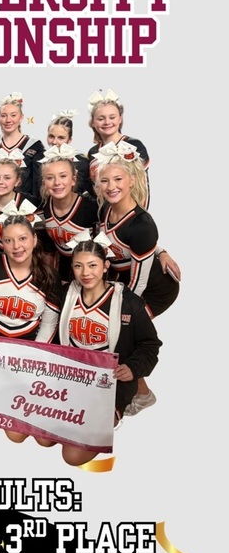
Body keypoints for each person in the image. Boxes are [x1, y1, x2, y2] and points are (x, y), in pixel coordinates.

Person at [56, 239, 161, 466]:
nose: (85, 273)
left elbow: (150, 345)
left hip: (110, 381)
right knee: (45, 437)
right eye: (78, 266)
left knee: (72, 456)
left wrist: (133, 368)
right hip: (73, 377)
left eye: (93, 265)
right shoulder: (66, 295)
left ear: (105, 266)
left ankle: (133, 397)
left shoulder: (128, 303)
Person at [95, 142, 180, 414]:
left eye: (118, 179)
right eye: (105, 180)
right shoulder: (104, 209)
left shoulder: (142, 224)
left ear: (132, 180)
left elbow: (139, 284)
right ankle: (138, 392)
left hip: (154, 287)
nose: (111, 186)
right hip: (125, 280)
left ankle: (140, 395)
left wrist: (118, 312)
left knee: (122, 334)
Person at [0, 215, 60, 433]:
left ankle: (2, 393)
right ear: (1, 242)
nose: (16, 246)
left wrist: (33, 355)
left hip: (20, 359)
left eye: (23, 238)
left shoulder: (48, 277)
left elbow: (49, 323)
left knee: (16, 432)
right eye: (9, 240)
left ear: (34, 240)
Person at [37, 144, 99, 283]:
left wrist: (159, 252)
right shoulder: (44, 209)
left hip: (92, 273)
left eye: (63, 176)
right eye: (50, 178)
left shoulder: (91, 208)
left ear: (73, 179)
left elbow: (119, 236)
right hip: (64, 271)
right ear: (44, 183)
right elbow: (48, 248)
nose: (57, 182)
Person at [86, 89, 150, 207]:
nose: (107, 122)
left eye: (112, 117)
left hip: (128, 215)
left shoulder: (134, 145)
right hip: (103, 216)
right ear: (93, 123)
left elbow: (143, 188)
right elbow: (93, 190)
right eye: (101, 118)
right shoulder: (93, 152)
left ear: (120, 119)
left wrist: (137, 217)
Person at [0, 93, 44, 200]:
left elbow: (37, 183)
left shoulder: (35, 146)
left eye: (13, 115)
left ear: (21, 118)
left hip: (25, 206)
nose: (8, 120)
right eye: (3, 115)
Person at [0, 150, 37, 252]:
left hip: (27, 258)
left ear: (17, 181)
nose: (0, 182)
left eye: (7, 178)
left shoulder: (32, 203)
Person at [46, 110, 91, 195]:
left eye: (61, 138)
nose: (55, 142)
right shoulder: (40, 160)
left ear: (69, 139)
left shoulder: (82, 163)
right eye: (51, 136)